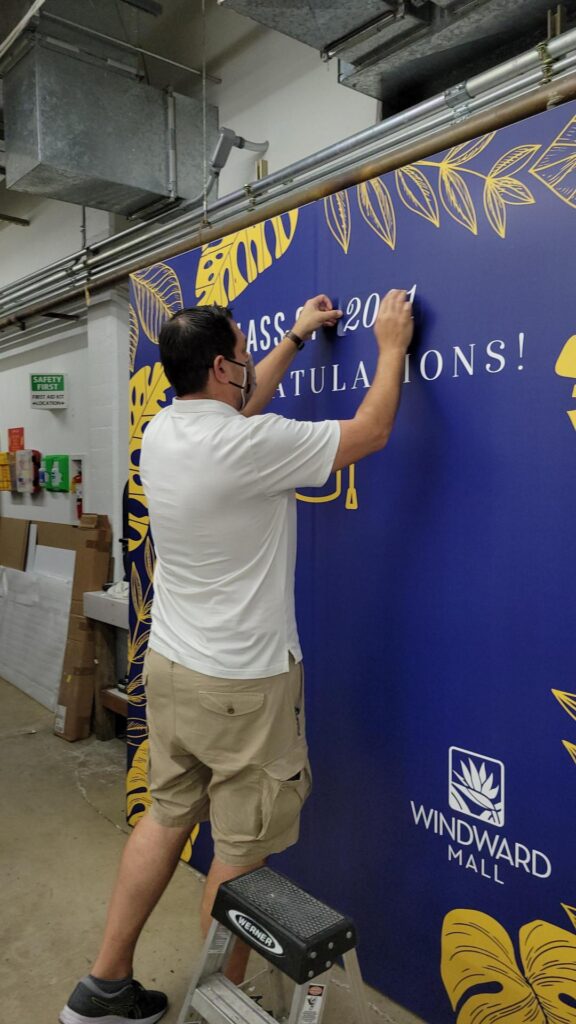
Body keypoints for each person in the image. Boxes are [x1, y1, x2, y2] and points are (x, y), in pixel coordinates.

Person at [59, 289, 413, 1024]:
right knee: (241, 854)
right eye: (246, 355)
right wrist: (390, 345)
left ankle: (103, 987)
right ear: (222, 368)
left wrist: (290, 338)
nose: (253, 364)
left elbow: (235, 413)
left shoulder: (164, 433)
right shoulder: (251, 446)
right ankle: (220, 1004)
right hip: (242, 689)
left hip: (173, 673)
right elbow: (373, 430)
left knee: (164, 818)